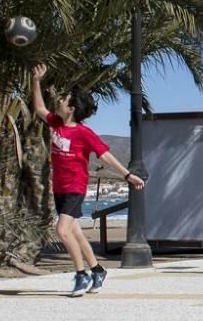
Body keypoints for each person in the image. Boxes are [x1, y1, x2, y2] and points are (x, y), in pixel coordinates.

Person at [31, 64, 145, 296]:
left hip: (75, 187)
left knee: (62, 230)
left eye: (64, 99)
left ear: (71, 108)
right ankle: (98, 270)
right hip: (59, 188)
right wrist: (36, 81)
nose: (60, 100)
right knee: (76, 232)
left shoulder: (84, 133)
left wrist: (127, 175)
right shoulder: (55, 123)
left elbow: (106, 156)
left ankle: (81, 275)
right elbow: (39, 108)